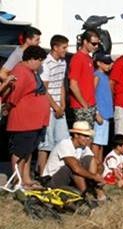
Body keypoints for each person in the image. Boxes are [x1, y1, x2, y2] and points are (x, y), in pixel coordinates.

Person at [7, 45, 49, 189]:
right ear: (31, 59)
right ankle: (17, 181)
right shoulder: (21, 71)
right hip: (23, 120)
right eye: (39, 61)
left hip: (35, 121)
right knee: (19, 151)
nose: (40, 64)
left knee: (28, 151)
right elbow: (14, 95)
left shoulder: (31, 72)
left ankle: (26, 178)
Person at [40, 121, 103, 191]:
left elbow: (97, 162)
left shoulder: (83, 147)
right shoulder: (65, 144)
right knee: (73, 168)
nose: (88, 139)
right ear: (76, 135)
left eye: (88, 136)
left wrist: (98, 175)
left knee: (90, 159)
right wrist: (94, 177)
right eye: (85, 136)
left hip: (66, 178)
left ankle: (94, 188)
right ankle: (84, 193)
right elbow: (76, 168)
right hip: (51, 180)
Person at [39, 35, 69, 175]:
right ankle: (42, 173)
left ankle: (56, 172)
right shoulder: (46, 63)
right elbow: (44, 89)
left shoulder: (63, 62)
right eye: (63, 47)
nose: (66, 50)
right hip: (48, 107)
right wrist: (55, 107)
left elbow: (60, 84)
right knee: (46, 143)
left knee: (63, 140)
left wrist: (62, 104)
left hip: (59, 106)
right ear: (55, 47)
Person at [69, 30, 100, 126]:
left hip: (90, 104)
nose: (96, 46)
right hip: (82, 106)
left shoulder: (88, 58)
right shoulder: (78, 58)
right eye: (94, 44)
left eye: (98, 44)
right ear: (85, 42)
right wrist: (84, 104)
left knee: (89, 137)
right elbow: (73, 85)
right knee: (83, 137)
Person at [92, 54, 114, 171]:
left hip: (106, 114)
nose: (109, 65)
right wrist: (96, 112)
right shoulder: (96, 76)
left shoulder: (105, 76)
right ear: (98, 63)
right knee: (96, 143)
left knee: (101, 143)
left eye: (109, 62)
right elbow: (92, 94)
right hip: (100, 114)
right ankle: (94, 166)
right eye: (106, 63)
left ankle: (99, 166)